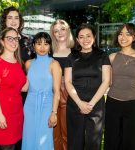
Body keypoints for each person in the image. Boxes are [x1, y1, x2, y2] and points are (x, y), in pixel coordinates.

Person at [64, 24, 111, 150]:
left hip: (96, 105)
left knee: (93, 143)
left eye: (88, 36)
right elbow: (67, 81)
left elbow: (106, 81)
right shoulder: (71, 57)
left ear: (94, 37)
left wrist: (91, 104)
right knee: (74, 142)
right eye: (81, 37)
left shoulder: (103, 56)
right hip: (75, 104)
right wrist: (80, 103)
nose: (85, 40)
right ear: (78, 40)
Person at [104, 23, 135, 150]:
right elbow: (109, 82)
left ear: (134, 37)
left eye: (128, 34)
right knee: (112, 140)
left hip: (132, 105)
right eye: (120, 34)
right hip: (112, 104)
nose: (123, 37)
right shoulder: (111, 57)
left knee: (131, 142)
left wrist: (133, 101)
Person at [0, 27, 28, 150]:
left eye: (16, 39)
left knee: (13, 146)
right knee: (6, 147)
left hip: (16, 112)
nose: (14, 42)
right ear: (2, 41)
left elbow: (23, 88)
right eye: (9, 39)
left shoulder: (18, 63)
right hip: (2, 112)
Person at [22, 32, 62, 150]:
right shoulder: (29, 64)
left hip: (47, 105)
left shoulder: (54, 64)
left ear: (50, 46)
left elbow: (57, 91)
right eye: (39, 44)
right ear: (33, 46)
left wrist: (54, 113)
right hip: (29, 105)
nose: (43, 47)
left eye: (46, 44)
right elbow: (25, 86)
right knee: (29, 137)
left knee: (43, 140)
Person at [50, 19, 75, 150]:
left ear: (68, 30)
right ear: (53, 34)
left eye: (62, 29)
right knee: (53, 132)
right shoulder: (48, 52)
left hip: (70, 97)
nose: (60, 33)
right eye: (56, 31)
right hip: (51, 95)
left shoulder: (76, 52)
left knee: (67, 131)